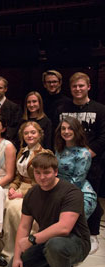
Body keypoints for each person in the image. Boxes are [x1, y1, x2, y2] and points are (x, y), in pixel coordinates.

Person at [5, 153, 90, 267]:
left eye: (47, 172)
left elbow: (64, 228)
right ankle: (56, 265)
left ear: (56, 172)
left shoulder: (72, 193)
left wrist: (32, 240)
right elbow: (24, 226)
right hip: (46, 241)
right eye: (38, 173)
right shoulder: (32, 194)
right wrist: (17, 256)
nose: (42, 177)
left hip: (76, 242)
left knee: (55, 245)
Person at [58, 72, 105, 254]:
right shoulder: (62, 108)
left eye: (81, 86)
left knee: (88, 197)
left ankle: (91, 234)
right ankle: (70, 230)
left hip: (92, 162)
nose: (78, 89)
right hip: (67, 160)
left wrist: (86, 154)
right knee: (67, 196)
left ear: (88, 87)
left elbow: (103, 136)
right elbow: (59, 132)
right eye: (74, 86)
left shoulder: (100, 109)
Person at [3, 121, 52, 254]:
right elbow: (18, 176)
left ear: (39, 134)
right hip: (20, 187)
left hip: (36, 190)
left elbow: (42, 182)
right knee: (3, 201)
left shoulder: (45, 154)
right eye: (26, 133)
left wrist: (21, 194)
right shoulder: (22, 151)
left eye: (32, 132)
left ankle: (23, 249)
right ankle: (7, 247)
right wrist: (13, 187)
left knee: (15, 208)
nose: (29, 135)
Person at [55, 117, 97, 219]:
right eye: (63, 128)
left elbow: (76, 182)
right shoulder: (59, 149)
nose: (66, 131)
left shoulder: (84, 153)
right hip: (58, 188)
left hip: (78, 193)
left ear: (76, 130)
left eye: (70, 128)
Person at [0, 76, 21, 145]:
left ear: (5, 89)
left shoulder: (14, 108)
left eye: (0, 88)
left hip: (7, 144)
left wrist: (1, 141)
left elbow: (14, 129)